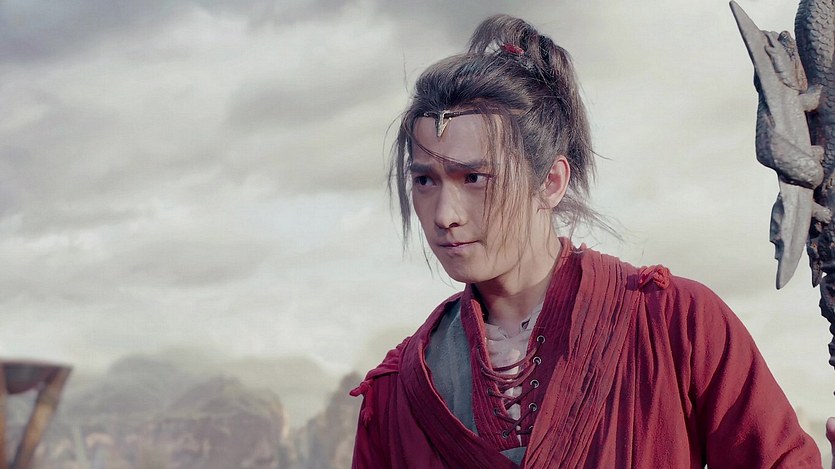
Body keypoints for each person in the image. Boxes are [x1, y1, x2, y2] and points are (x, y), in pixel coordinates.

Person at [350, 14, 821, 468]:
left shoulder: (676, 324)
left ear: (551, 181)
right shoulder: (399, 391)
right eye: (425, 181)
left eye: (474, 178)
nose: (445, 215)